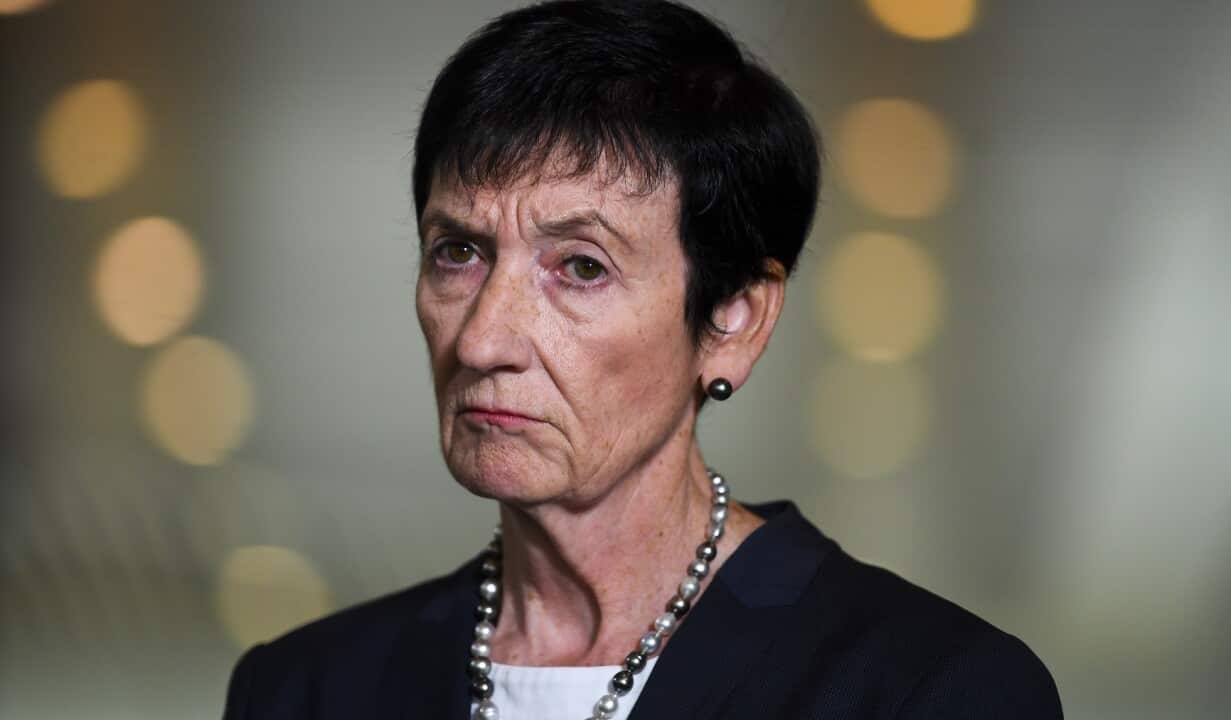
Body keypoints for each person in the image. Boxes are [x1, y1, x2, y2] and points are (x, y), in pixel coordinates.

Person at [221, 1, 1063, 718]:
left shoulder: (927, 690)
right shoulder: (304, 691)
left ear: (733, 321)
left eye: (581, 267)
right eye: (458, 252)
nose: (481, 342)